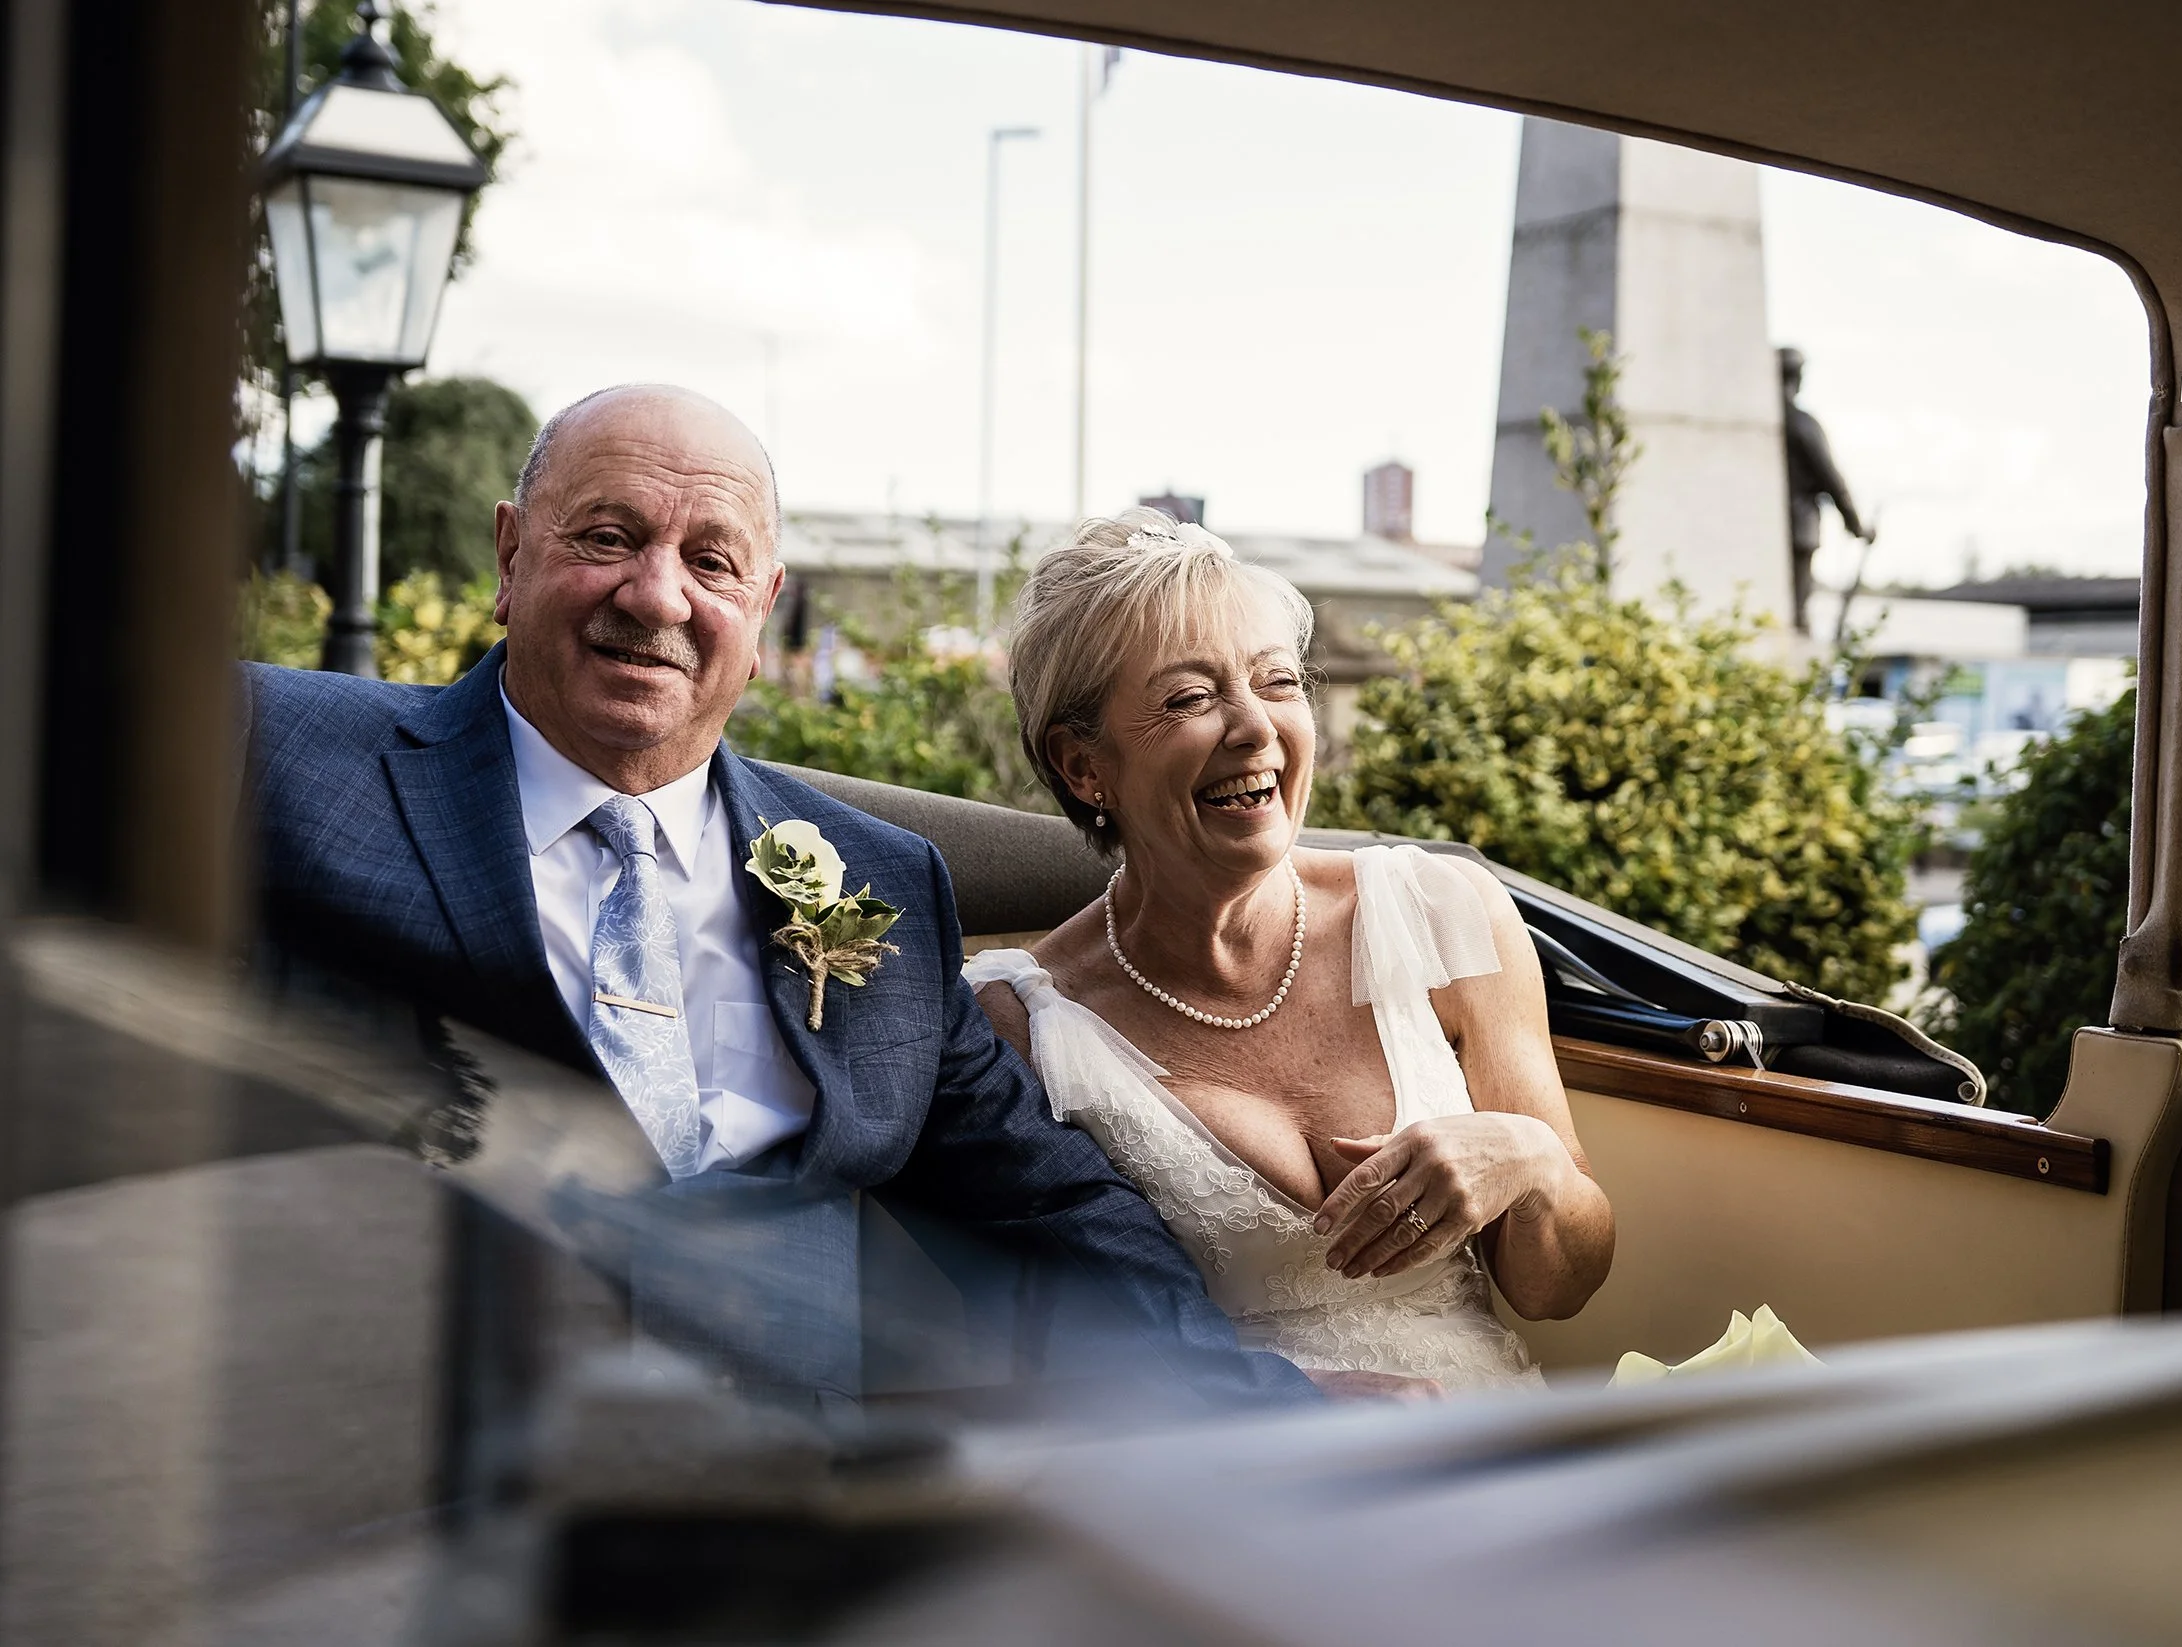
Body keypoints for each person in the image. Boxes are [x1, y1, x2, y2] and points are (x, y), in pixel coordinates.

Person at [243, 385, 1311, 1412]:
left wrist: (1284, 1418)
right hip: (384, 1472)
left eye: (712, 562)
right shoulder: (282, 756)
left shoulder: (871, 880)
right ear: (512, 554)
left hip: (767, 1506)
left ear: (762, 609)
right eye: (607, 539)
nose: (657, 595)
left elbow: (1054, 1207)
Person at [968, 511, 1615, 1395]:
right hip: (1230, 1478)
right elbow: (1042, 1356)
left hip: (1484, 1445)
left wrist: (1527, 1158)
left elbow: (1559, 1289)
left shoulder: (1442, 914)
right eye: (1191, 698)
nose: (1254, 728)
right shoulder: (1023, 1025)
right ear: (1085, 768)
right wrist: (1285, 1401)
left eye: (1277, 682)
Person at [1780, 346, 1874, 635]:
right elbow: (1831, 477)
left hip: (1783, 525)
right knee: (1796, 615)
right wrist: (1857, 525)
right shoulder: (1799, 422)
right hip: (1798, 525)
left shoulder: (1775, 422)